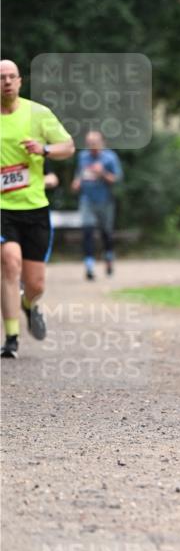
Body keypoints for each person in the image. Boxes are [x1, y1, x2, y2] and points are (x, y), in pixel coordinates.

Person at [0, 59, 74, 358]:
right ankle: (12, 338)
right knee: (9, 260)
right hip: (2, 207)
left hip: (34, 208)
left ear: (20, 81)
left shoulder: (38, 113)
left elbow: (67, 146)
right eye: (1, 77)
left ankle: (29, 305)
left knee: (35, 283)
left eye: (11, 77)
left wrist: (44, 149)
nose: (6, 81)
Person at [71, 130, 123, 280]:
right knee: (87, 231)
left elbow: (116, 179)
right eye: (89, 143)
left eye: (94, 143)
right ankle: (89, 265)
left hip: (105, 200)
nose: (91, 146)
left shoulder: (110, 157)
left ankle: (108, 257)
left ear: (102, 142)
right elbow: (80, 174)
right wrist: (77, 182)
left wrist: (103, 173)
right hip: (87, 199)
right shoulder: (82, 157)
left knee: (106, 233)